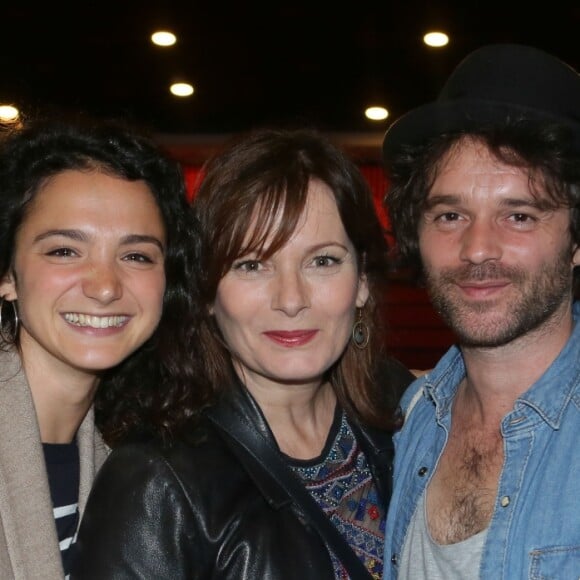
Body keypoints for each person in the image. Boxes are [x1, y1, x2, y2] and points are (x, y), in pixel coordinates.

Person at [72, 127, 415, 579]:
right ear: (209, 292)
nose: (291, 299)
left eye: (323, 261)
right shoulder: (155, 481)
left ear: (363, 281)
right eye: (251, 265)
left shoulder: (409, 412)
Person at [380, 43, 580, 578]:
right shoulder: (411, 415)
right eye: (450, 215)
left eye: (518, 215)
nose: (477, 249)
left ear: (576, 241)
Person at [0, 113, 199, 579]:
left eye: (136, 256)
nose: (105, 286)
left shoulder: (126, 456)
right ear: (8, 274)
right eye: (65, 251)